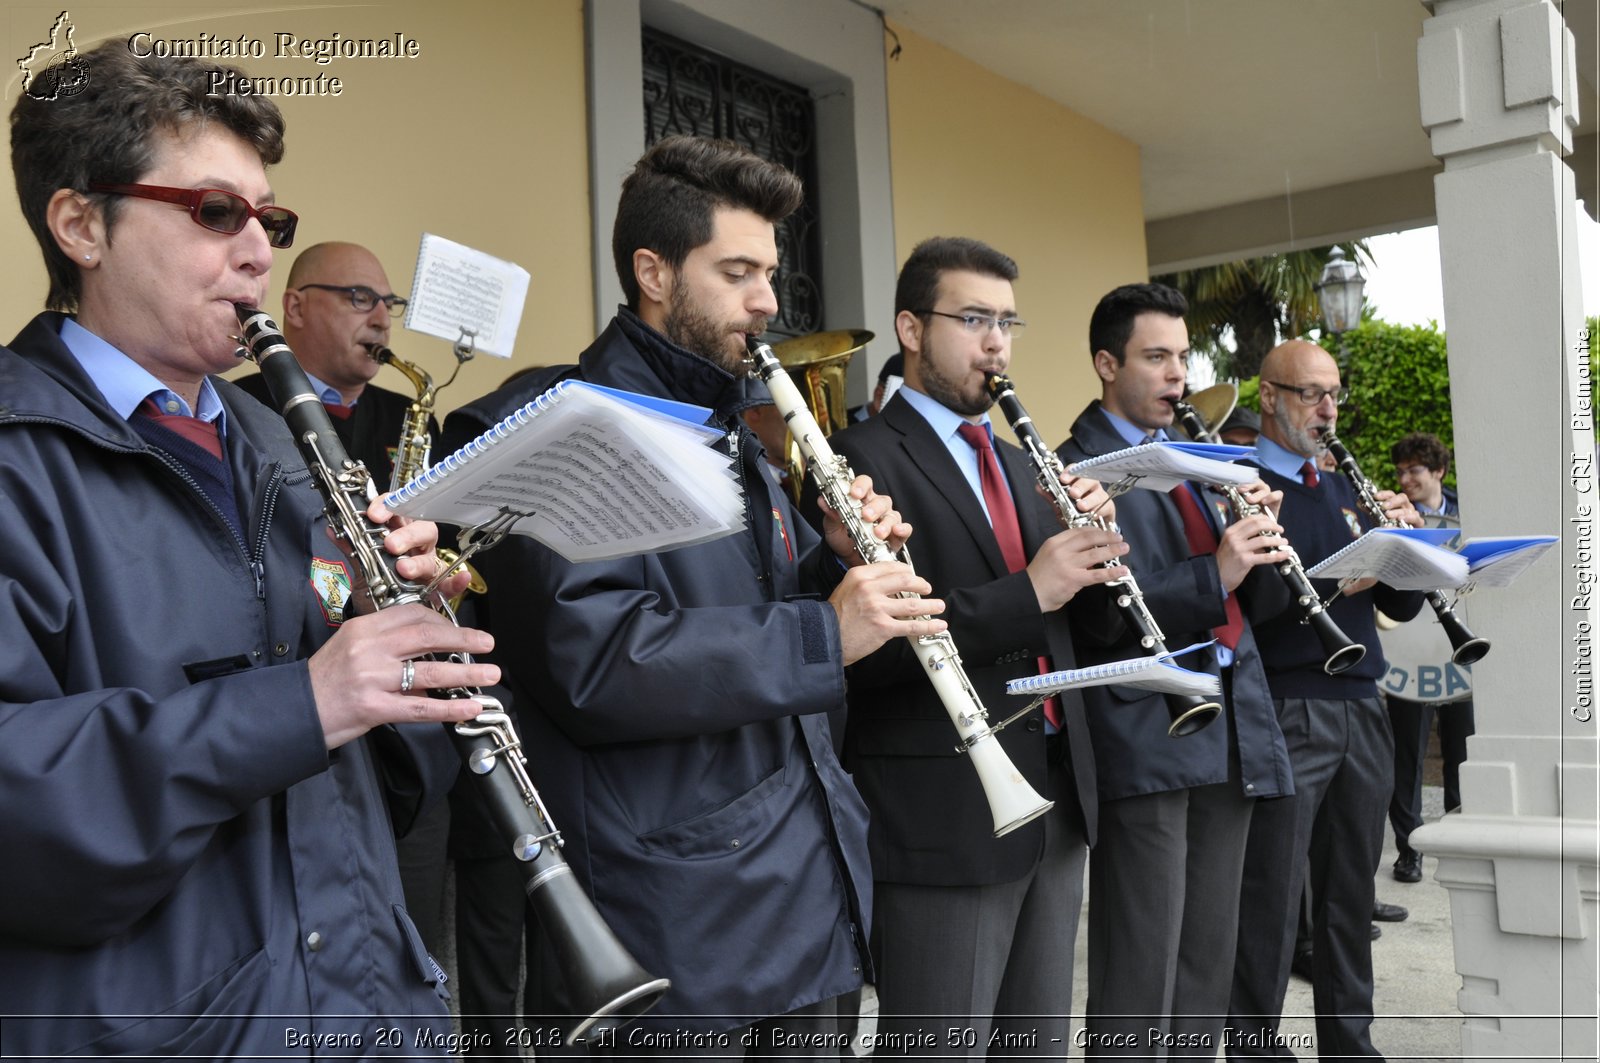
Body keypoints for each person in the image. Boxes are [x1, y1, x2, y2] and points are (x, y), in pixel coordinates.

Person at [0, 41, 495, 1058]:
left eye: (269, 220)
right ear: (81, 223)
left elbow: (380, 792)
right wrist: (304, 700)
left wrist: (402, 646)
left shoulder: (282, 445)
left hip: (359, 1006)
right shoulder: (16, 452)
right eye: (215, 213)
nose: (260, 253)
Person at [442, 135, 939, 1051]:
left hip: (797, 896)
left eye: (771, 272)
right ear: (654, 272)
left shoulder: (730, 426)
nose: (769, 300)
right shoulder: (562, 427)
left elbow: (744, 608)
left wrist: (836, 564)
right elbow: (595, 660)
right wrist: (825, 632)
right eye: (739, 271)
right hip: (679, 931)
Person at [815, 236, 1127, 1055]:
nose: (997, 343)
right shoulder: (859, 458)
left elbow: (1074, 633)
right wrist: (1033, 587)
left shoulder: (1029, 464)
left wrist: (1096, 559)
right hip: (944, 815)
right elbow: (870, 648)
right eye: (974, 319)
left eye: (1007, 322)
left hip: (1054, 800)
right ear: (911, 328)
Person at [1058, 282, 1293, 1057]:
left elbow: (1244, 601)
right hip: (1148, 731)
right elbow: (1099, 613)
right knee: (1142, 965)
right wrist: (1217, 569)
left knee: (1205, 961)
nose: (1178, 375)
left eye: (1183, 357)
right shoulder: (1076, 467)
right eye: (1156, 356)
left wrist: (1258, 542)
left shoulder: (1198, 456)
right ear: (1105, 363)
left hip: (1228, 724)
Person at [1227, 340, 1425, 1060]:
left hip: (1360, 701)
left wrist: (1408, 544)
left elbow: (1400, 605)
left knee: (1349, 896)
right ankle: (1254, 1047)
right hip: (1287, 701)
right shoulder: (1243, 483)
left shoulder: (1346, 486)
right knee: (1272, 896)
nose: (1328, 408)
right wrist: (1346, 578)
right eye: (1312, 393)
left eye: (1334, 393)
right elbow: (1252, 604)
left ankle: (1351, 1045)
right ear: (1270, 396)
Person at [234, 241, 432, 493]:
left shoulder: (407, 416)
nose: (383, 322)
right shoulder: (235, 409)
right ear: (296, 308)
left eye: (389, 306)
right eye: (361, 298)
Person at [1385, 431, 1473, 883]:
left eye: (1414, 470)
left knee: (1463, 753)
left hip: (1459, 653)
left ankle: (1463, 844)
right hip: (1408, 653)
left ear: (1438, 471)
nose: (1405, 479)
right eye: (1400, 471)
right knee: (1407, 757)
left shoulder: (1471, 513)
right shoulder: (1392, 517)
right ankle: (1409, 849)